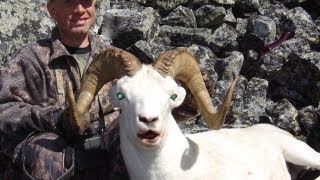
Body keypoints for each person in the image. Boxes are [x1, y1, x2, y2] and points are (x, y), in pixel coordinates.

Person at [0, 0, 128, 179]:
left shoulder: (115, 58)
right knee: (47, 152)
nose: (80, 10)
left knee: (135, 133)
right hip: (55, 155)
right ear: (52, 10)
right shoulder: (31, 58)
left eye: (86, 2)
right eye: (69, 3)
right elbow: (5, 111)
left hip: (102, 149)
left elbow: (135, 105)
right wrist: (55, 118)